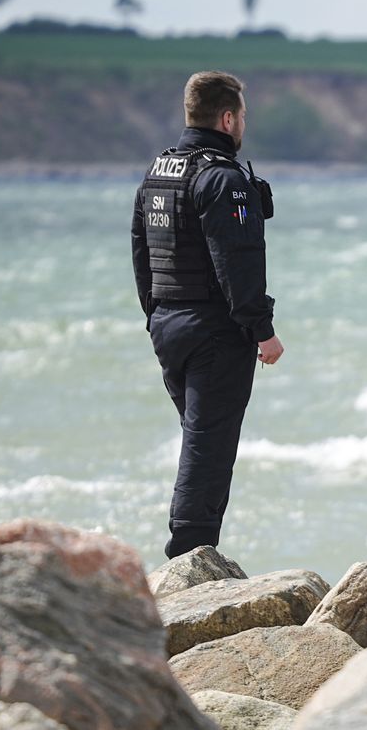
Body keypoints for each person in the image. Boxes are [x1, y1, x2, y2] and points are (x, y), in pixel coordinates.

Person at [132, 70, 284, 559]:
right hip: (214, 333)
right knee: (209, 448)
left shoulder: (159, 173)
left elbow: (141, 252)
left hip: (168, 326)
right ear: (227, 117)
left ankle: (192, 550)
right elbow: (235, 261)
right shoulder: (222, 178)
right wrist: (263, 331)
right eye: (241, 116)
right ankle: (189, 557)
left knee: (199, 438)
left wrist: (154, 317)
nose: (243, 125)